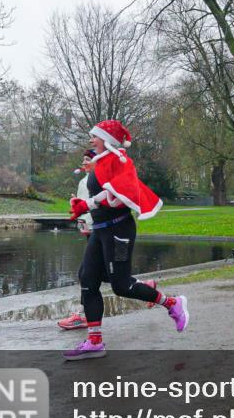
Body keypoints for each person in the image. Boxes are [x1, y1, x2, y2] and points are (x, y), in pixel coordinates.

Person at [63, 119, 188, 360]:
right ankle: (94, 342)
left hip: (118, 230)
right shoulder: (101, 162)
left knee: (121, 286)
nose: (91, 140)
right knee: (87, 278)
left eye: (95, 136)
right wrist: (81, 205)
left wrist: (87, 204)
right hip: (100, 230)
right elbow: (102, 192)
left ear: (107, 139)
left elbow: (118, 194)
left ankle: (172, 303)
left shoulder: (121, 161)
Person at [57, 149, 98, 331]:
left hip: (98, 230)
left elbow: (95, 205)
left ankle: (82, 316)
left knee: (86, 273)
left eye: (88, 159)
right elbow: (82, 206)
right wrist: (75, 204)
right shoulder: (83, 181)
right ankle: (145, 286)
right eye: (83, 160)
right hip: (89, 230)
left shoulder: (99, 181)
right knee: (99, 275)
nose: (84, 163)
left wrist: (89, 221)